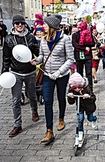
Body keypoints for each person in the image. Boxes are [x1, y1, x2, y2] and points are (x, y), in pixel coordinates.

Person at [31, 14, 74, 144]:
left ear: (51, 27)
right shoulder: (43, 39)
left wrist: (59, 72)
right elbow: (42, 56)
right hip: (47, 75)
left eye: (45, 24)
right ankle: (49, 131)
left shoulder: (65, 39)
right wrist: (36, 60)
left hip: (61, 75)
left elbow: (70, 59)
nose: (42, 26)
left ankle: (61, 118)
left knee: (61, 98)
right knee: (47, 101)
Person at [2, 14, 39, 137]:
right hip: (15, 73)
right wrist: (4, 72)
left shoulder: (30, 37)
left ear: (25, 25)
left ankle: (34, 111)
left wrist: (37, 60)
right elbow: (6, 58)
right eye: (17, 23)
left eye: (22, 23)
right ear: (13, 25)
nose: (19, 25)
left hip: (30, 72)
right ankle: (17, 124)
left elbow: (38, 53)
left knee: (32, 95)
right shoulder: (8, 39)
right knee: (15, 100)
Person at [67, 72, 98, 140]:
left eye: (79, 87)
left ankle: (94, 118)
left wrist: (88, 97)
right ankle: (80, 132)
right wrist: (70, 97)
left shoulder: (87, 88)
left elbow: (94, 98)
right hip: (80, 107)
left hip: (89, 107)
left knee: (90, 118)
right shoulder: (71, 90)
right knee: (80, 119)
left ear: (82, 84)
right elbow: (71, 102)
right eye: (75, 87)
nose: (77, 89)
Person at [72, 21, 95, 88]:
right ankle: (80, 87)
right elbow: (75, 44)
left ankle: (90, 88)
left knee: (88, 73)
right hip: (79, 56)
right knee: (79, 73)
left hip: (88, 56)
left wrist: (84, 43)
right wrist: (84, 48)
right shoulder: (75, 35)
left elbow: (92, 43)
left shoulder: (89, 34)